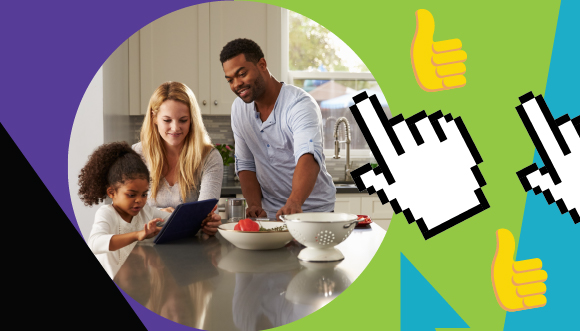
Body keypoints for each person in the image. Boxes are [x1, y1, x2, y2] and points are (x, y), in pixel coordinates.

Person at [220, 38, 335, 220]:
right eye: (230, 80)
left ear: (262, 65)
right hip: (270, 213)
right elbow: (245, 163)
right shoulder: (239, 109)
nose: (236, 84)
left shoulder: (299, 104)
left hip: (312, 212)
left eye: (241, 74)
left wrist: (295, 201)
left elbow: (308, 156)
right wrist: (255, 205)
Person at [133, 81, 222, 235]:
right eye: (167, 120)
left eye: (183, 120)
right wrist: (161, 212)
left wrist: (210, 221)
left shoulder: (209, 157)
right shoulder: (137, 154)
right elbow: (128, 210)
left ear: (192, 120)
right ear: (154, 118)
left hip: (193, 246)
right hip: (145, 243)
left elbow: (203, 214)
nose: (175, 128)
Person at [81, 141, 171, 278]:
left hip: (135, 281)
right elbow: (94, 243)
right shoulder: (107, 213)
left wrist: (202, 217)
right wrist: (137, 234)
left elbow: (174, 219)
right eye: (131, 195)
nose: (139, 200)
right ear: (112, 192)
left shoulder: (146, 211)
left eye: (144, 194)